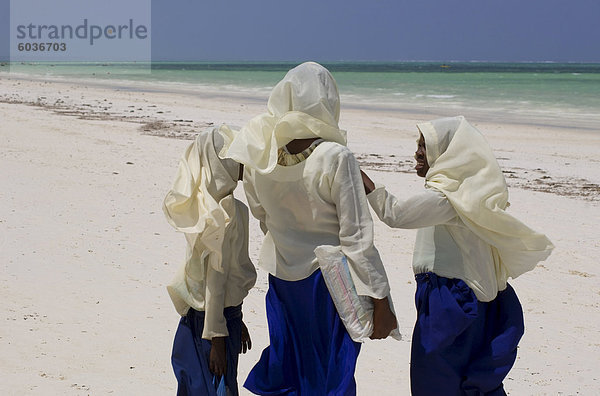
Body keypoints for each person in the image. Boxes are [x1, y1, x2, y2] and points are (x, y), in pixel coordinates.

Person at [220, 62, 398, 395]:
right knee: (332, 377)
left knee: (292, 373)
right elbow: (357, 238)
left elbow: (264, 221)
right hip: (329, 286)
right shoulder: (337, 157)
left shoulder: (261, 159)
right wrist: (381, 300)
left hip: (283, 282)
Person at [361, 116, 554, 395]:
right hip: (473, 301)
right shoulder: (471, 195)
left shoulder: (448, 199)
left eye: (425, 146)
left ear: (448, 154)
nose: (417, 152)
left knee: (436, 382)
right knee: (465, 382)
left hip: (450, 300)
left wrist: (355, 173)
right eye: (418, 145)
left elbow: (395, 213)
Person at [163, 126, 257, 396]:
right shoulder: (229, 213)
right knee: (217, 388)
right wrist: (218, 335)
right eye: (237, 157)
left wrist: (234, 321)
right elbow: (216, 279)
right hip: (212, 324)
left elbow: (216, 278)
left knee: (193, 386)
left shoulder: (202, 208)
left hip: (199, 319)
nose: (243, 163)